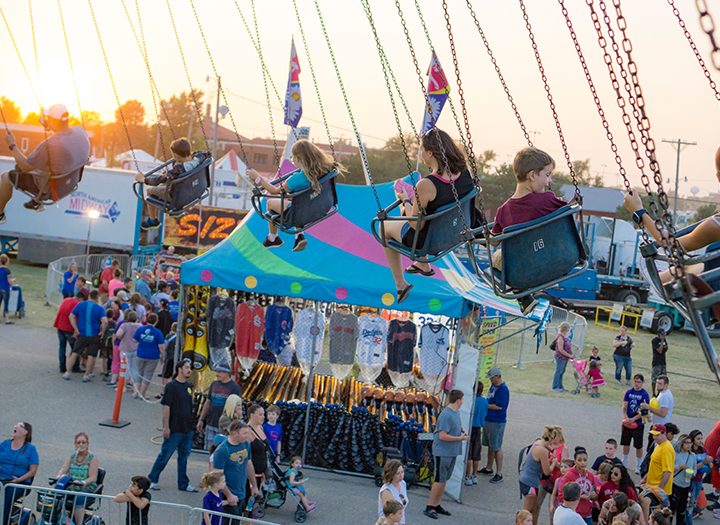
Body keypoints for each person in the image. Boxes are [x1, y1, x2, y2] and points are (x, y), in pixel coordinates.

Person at [378, 129, 476, 304]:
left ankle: (401, 284)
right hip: (456, 233)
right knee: (420, 214)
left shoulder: (427, 184)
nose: (420, 153)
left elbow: (415, 225)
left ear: (430, 153)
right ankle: (422, 264)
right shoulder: (466, 173)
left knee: (382, 226)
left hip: (429, 241)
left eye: (421, 149)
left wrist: (406, 199)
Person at [491, 146, 569, 315]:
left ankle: (522, 297)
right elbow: (567, 213)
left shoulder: (503, 211)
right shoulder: (548, 200)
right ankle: (527, 295)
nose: (549, 182)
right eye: (547, 175)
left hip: (522, 270)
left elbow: (494, 241)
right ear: (532, 175)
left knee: (497, 257)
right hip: (549, 260)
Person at [247, 138, 344, 253]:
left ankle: (273, 238)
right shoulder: (326, 169)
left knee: (270, 203)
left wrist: (258, 178)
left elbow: (274, 191)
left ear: (297, 158)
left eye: (293, 158)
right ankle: (299, 236)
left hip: (300, 214)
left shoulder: (295, 179)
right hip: (322, 205)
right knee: (299, 199)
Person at [0, 103, 90, 220]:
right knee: (46, 162)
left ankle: (0, 215)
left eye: (48, 119)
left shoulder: (49, 145)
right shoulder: (81, 131)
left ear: (52, 121)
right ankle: (37, 203)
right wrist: (51, 127)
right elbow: (63, 140)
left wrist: (12, 144)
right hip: (68, 184)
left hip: (48, 189)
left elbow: (24, 167)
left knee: (5, 177)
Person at [135, 138, 207, 229]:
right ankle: (177, 209)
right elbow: (203, 153)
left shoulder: (178, 170)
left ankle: (153, 221)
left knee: (149, 190)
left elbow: (159, 180)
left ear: (176, 156)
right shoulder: (199, 159)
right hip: (194, 190)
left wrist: (143, 179)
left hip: (176, 197)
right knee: (163, 186)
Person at [148, 360, 197, 492]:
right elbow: (166, 407)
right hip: (175, 429)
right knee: (165, 455)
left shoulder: (188, 386)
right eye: (187, 367)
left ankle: (183, 483)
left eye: (189, 367)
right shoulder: (171, 386)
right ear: (179, 369)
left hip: (187, 428)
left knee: (184, 457)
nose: (189, 370)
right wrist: (166, 427)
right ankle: (152, 479)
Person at [424, 389, 469, 519]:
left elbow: (453, 426)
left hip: (451, 451)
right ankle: (430, 506)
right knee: (439, 480)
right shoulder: (446, 414)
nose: (462, 403)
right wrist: (460, 438)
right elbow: (442, 435)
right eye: (462, 400)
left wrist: (461, 429)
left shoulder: (456, 412)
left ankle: (437, 504)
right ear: (458, 400)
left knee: (445, 479)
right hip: (442, 452)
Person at [213, 421, 260, 518]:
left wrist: (254, 485)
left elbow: (249, 465)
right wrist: (229, 495)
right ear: (235, 433)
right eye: (244, 433)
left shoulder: (245, 444)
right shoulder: (222, 450)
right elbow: (217, 477)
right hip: (227, 495)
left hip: (241, 493)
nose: (247, 436)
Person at [519, 425, 564, 525]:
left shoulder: (539, 442)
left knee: (536, 508)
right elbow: (547, 472)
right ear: (552, 439)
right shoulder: (542, 450)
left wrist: (552, 452)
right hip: (529, 482)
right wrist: (554, 462)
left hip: (532, 481)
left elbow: (547, 448)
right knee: (527, 512)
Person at [64, 289, 108, 382]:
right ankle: (87, 375)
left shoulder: (80, 305)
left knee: (75, 352)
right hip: (94, 334)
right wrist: (102, 331)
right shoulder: (99, 308)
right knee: (91, 355)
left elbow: (71, 316)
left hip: (82, 333)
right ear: (97, 298)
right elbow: (105, 321)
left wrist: (75, 328)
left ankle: (67, 372)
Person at [56, 431, 99, 525]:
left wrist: (82, 482)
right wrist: (59, 476)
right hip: (72, 487)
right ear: (75, 444)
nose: (81, 445)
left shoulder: (92, 459)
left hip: (86, 488)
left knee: (78, 498)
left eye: (83, 442)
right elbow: (63, 469)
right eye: (78, 442)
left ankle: (79, 523)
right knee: (58, 496)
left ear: (87, 444)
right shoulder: (72, 457)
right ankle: (61, 520)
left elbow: (93, 478)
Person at [0, 422, 38, 525]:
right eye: (15, 425)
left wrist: (19, 479)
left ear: (26, 432)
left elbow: (33, 471)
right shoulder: (5, 444)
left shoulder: (31, 449)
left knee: (10, 492)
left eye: (19, 426)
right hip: (2, 479)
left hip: (19, 483)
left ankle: (2, 521)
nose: (15, 426)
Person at [197, 364, 242, 451]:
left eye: (219, 372)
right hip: (210, 423)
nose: (217, 374)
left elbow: (237, 405)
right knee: (209, 451)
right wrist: (201, 419)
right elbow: (208, 402)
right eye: (216, 371)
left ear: (226, 373)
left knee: (223, 451)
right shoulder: (214, 384)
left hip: (225, 426)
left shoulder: (234, 387)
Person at [479, 367, 510, 483]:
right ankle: (489, 467)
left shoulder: (503, 389)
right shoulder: (494, 386)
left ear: (497, 376)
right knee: (491, 446)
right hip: (489, 419)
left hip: (497, 421)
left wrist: (485, 405)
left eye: (492, 377)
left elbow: (500, 406)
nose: (490, 380)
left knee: (496, 447)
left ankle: (499, 472)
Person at [640, 424, 675, 520]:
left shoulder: (666, 449)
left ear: (664, 434)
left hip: (657, 489)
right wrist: (645, 478)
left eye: (657, 435)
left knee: (653, 515)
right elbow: (654, 466)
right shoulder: (659, 445)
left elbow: (667, 472)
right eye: (653, 435)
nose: (654, 437)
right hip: (651, 486)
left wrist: (659, 491)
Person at [558, 447, 597, 525]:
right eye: (579, 460)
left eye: (585, 460)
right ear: (575, 461)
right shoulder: (568, 476)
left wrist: (594, 495)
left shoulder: (590, 475)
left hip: (588, 514)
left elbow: (595, 494)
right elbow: (561, 497)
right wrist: (580, 497)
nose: (582, 463)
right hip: (574, 514)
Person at [621, 374, 651, 474]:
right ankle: (624, 462)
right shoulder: (629, 392)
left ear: (642, 382)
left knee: (638, 445)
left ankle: (639, 465)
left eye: (639, 382)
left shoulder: (644, 394)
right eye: (635, 381)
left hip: (638, 423)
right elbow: (625, 405)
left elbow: (645, 411)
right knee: (625, 442)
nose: (637, 384)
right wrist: (626, 418)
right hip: (627, 421)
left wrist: (633, 419)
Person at [132, 313, 165, 399]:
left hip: (140, 353)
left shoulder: (140, 329)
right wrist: (163, 356)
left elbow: (134, 339)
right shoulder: (158, 332)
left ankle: (136, 392)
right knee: (147, 375)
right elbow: (161, 346)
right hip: (153, 356)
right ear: (156, 321)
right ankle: (142, 394)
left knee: (140, 373)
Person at [54, 289, 87, 374]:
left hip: (60, 325)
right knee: (75, 348)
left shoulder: (66, 300)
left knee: (62, 347)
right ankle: (75, 366)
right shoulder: (77, 304)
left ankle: (62, 366)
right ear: (81, 299)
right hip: (69, 328)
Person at [640, 375, 674, 451]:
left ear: (666, 385)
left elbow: (663, 413)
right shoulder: (663, 394)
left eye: (660, 384)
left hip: (660, 428)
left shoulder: (664, 396)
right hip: (658, 426)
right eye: (657, 383)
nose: (657, 385)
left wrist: (648, 407)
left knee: (652, 451)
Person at [464, 382, 489, 485]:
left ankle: (467, 476)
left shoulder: (470, 401)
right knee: (476, 453)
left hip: (470, 428)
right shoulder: (484, 401)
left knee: (469, 454)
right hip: (479, 428)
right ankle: (475, 475)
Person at [671, 434, 696, 525]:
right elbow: (670, 467)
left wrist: (693, 473)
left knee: (682, 509)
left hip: (686, 485)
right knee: (672, 508)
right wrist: (679, 467)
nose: (689, 445)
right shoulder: (675, 454)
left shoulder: (692, 455)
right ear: (681, 443)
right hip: (676, 484)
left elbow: (695, 468)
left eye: (690, 443)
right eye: (687, 443)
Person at [113, 311, 141, 390]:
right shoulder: (140, 326)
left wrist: (122, 338)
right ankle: (135, 387)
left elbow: (118, 334)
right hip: (136, 349)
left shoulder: (124, 325)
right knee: (135, 368)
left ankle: (123, 387)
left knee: (125, 368)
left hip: (125, 348)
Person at [378, 459, 408, 525]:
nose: (401, 475)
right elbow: (389, 517)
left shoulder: (402, 483)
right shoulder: (387, 491)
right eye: (397, 473)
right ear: (391, 474)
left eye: (402, 472)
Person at [246, 404, 271, 486]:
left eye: (263, 414)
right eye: (260, 415)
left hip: (261, 471)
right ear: (252, 415)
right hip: (251, 473)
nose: (263, 417)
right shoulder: (247, 431)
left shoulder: (260, 427)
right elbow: (246, 455)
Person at [552, 322, 576, 392]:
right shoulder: (560, 337)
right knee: (558, 371)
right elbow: (561, 349)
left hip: (565, 357)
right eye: (568, 327)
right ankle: (555, 386)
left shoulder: (566, 336)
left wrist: (571, 354)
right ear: (565, 328)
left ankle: (560, 386)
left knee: (562, 371)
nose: (569, 329)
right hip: (560, 357)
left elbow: (568, 347)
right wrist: (569, 355)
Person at [549, 460, 574, 524]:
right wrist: (551, 505)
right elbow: (553, 494)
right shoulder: (558, 480)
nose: (563, 469)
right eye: (561, 467)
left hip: (571, 507)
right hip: (560, 506)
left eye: (565, 467)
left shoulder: (573, 480)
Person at [650, 330, 669, 396]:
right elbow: (660, 351)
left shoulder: (664, 340)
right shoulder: (654, 341)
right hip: (657, 362)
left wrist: (666, 346)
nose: (664, 336)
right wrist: (661, 341)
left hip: (663, 362)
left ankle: (659, 393)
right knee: (654, 378)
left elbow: (665, 349)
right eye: (662, 334)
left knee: (663, 378)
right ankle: (653, 393)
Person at [0, 254, 16, 325]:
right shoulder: (8, 271)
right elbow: (9, 281)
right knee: (6, 304)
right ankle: (7, 319)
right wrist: (13, 280)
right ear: (6, 262)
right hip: (5, 288)